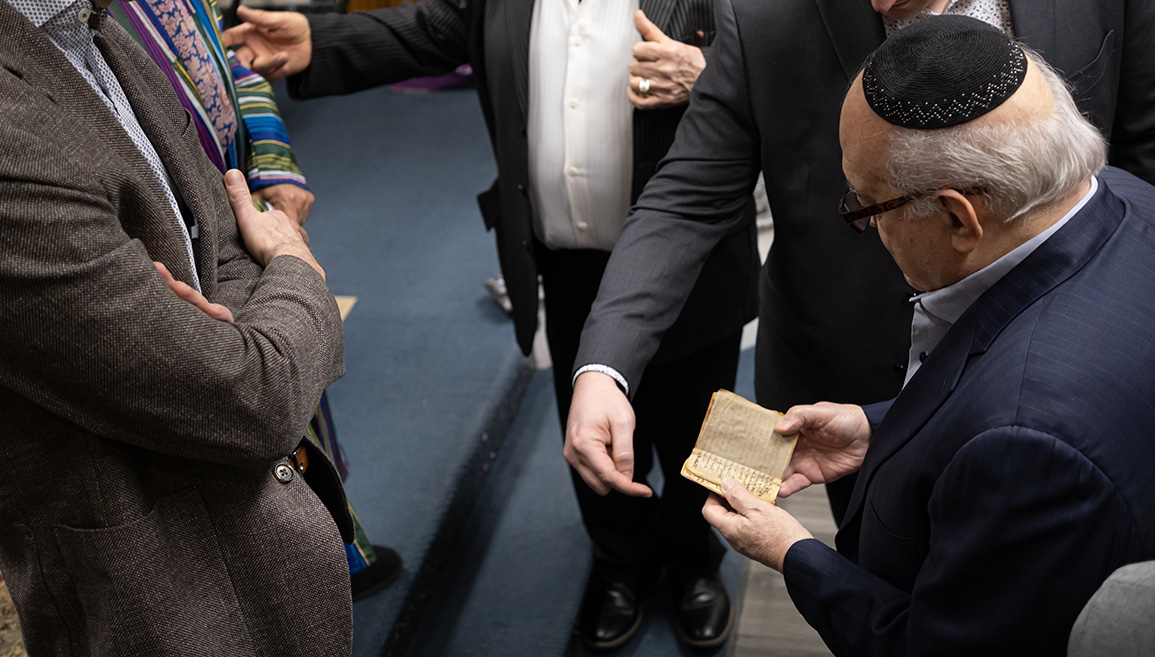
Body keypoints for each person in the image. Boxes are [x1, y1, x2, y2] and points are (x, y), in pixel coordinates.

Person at [222, 0, 759, 648]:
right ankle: (619, 563)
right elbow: (429, 30)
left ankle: (695, 565)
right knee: (586, 424)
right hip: (562, 260)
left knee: (694, 428)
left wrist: (705, 75)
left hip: (689, 267)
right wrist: (317, 40)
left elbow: (797, 75)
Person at [564, 0, 1155, 526]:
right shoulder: (759, 17)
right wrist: (602, 367)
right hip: (853, 382)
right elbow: (688, 200)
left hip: (1068, 366)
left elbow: (1138, 155)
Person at [703, 16, 1155, 655]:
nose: (866, 227)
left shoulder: (1031, 449)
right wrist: (881, 426)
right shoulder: (1126, 198)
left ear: (955, 215)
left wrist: (790, 550)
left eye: (864, 206)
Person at [0, 0, 356, 653]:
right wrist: (297, 267)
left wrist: (247, 323)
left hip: (266, 530)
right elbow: (254, 397)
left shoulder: (101, 32)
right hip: (161, 596)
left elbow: (224, 231)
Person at [107, 0, 401, 601]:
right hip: (169, 248)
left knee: (293, 377)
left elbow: (236, 66)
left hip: (244, 224)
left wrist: (273, 168)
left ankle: (337, 545)